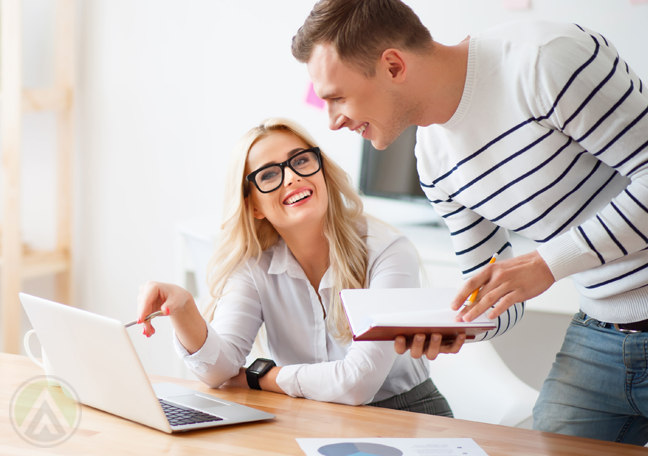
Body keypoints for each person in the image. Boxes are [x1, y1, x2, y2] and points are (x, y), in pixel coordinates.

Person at [291, 0, 648, 446]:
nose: (332, 121)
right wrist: (453, 326)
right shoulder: (434, 162)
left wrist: (547, 264)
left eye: (337, 97)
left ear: (394, 65)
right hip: (601, 331)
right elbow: (499, 295)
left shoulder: (545, 59)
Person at [137, 117, 470, 415]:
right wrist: (183, 308)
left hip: (406, 415)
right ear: (253, 206)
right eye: (268, 174)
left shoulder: (387, 250)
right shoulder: (254, 266)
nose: (292, 177)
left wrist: (259, 376)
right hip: (310, 414)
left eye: (301, 161)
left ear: (321, 170)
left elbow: (358, 383)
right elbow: (218, 370)